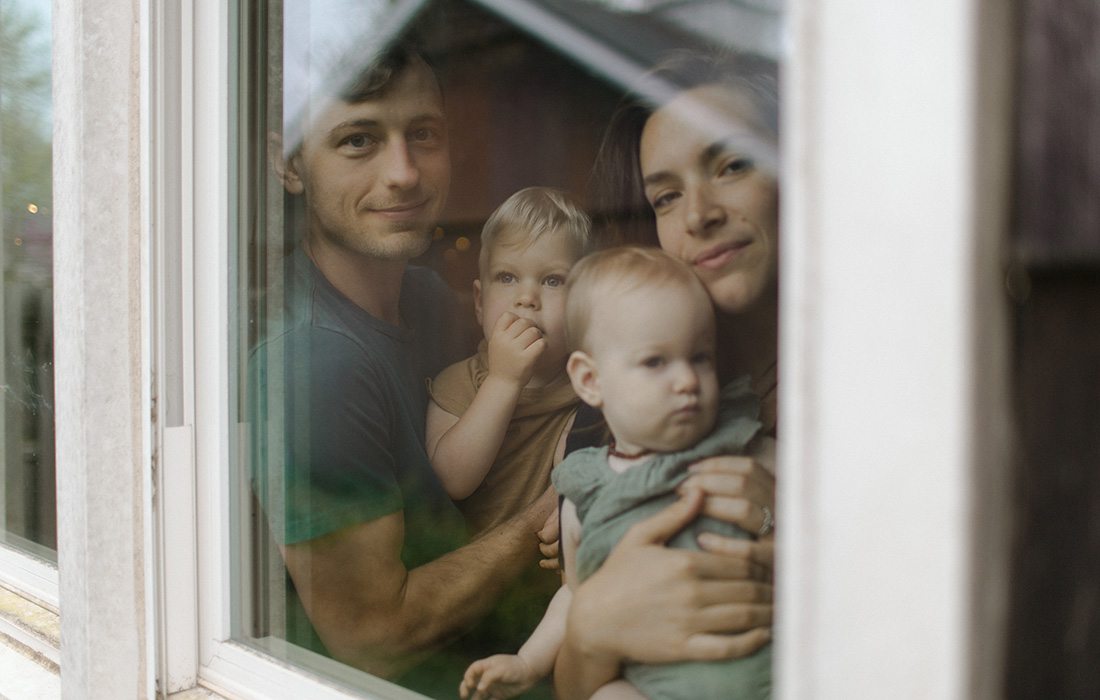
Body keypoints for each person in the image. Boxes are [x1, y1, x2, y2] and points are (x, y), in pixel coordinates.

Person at [249, 44, 558, 693]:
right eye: (359, 140)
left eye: (422, 134)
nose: (404, 173)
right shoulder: (314, 366)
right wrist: (557, 506)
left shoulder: (428, 301)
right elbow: (373, 638)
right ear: (290, 163)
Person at [553, 50, 782, 698]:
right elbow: (576, 689)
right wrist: (593, 624)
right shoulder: (616, 415)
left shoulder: (870, 385)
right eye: (666, 195)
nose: (698, 214)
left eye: (732, 163)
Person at [461, 247, 775, 700]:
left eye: (700, 357)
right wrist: (527, 661)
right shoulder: (586, 493)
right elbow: (578, 596)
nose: (687, 379)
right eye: (655, 362)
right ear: (590, 381)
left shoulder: (742, 447)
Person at [426, 186, 590, 536]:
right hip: (473, 572)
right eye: (507, 277)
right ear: (480, 301)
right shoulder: (458, 382)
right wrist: (503, 380)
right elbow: (453, 481)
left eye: (552, 280)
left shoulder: (588, 387)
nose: (527, 298)